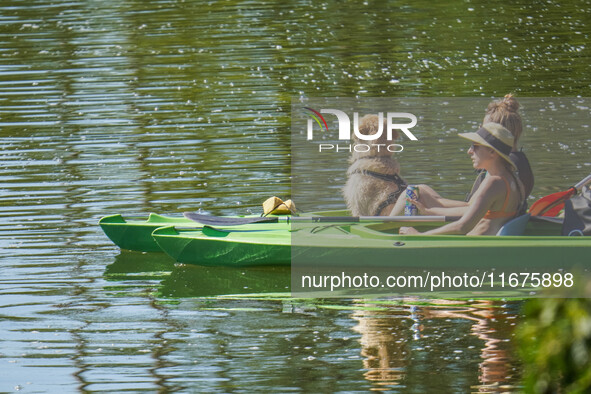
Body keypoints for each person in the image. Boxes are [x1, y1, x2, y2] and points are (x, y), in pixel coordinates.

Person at [389, 94, 534, 217]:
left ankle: (385, 226)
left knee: (414, 193)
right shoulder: (516, 161)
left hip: (474, 218)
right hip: (476, 212)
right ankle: (387, 223)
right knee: (419, 189)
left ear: (496, 132)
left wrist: (431, 211)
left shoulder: (503, 169)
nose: (480, 132)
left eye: (483, 129)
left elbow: (473, 211)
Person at [399, 123, 524, 236]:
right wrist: (429, 211)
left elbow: (462, 227)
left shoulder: (493, 183)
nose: (469, 151)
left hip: (473, 250)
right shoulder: (515, 181)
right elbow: (471, 210)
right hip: (484, 247)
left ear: (492, 151)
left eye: (475, 146)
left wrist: (419, 235)